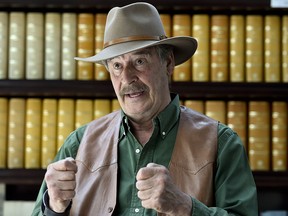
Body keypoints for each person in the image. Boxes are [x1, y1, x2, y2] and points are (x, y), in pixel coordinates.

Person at [32, 2, 258, 216]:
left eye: (139, 61)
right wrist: (53, 208)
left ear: (168, 63)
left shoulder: (221, 143)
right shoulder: (78, 143)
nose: (127, 78)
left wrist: (186, 207)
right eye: (117, 66)